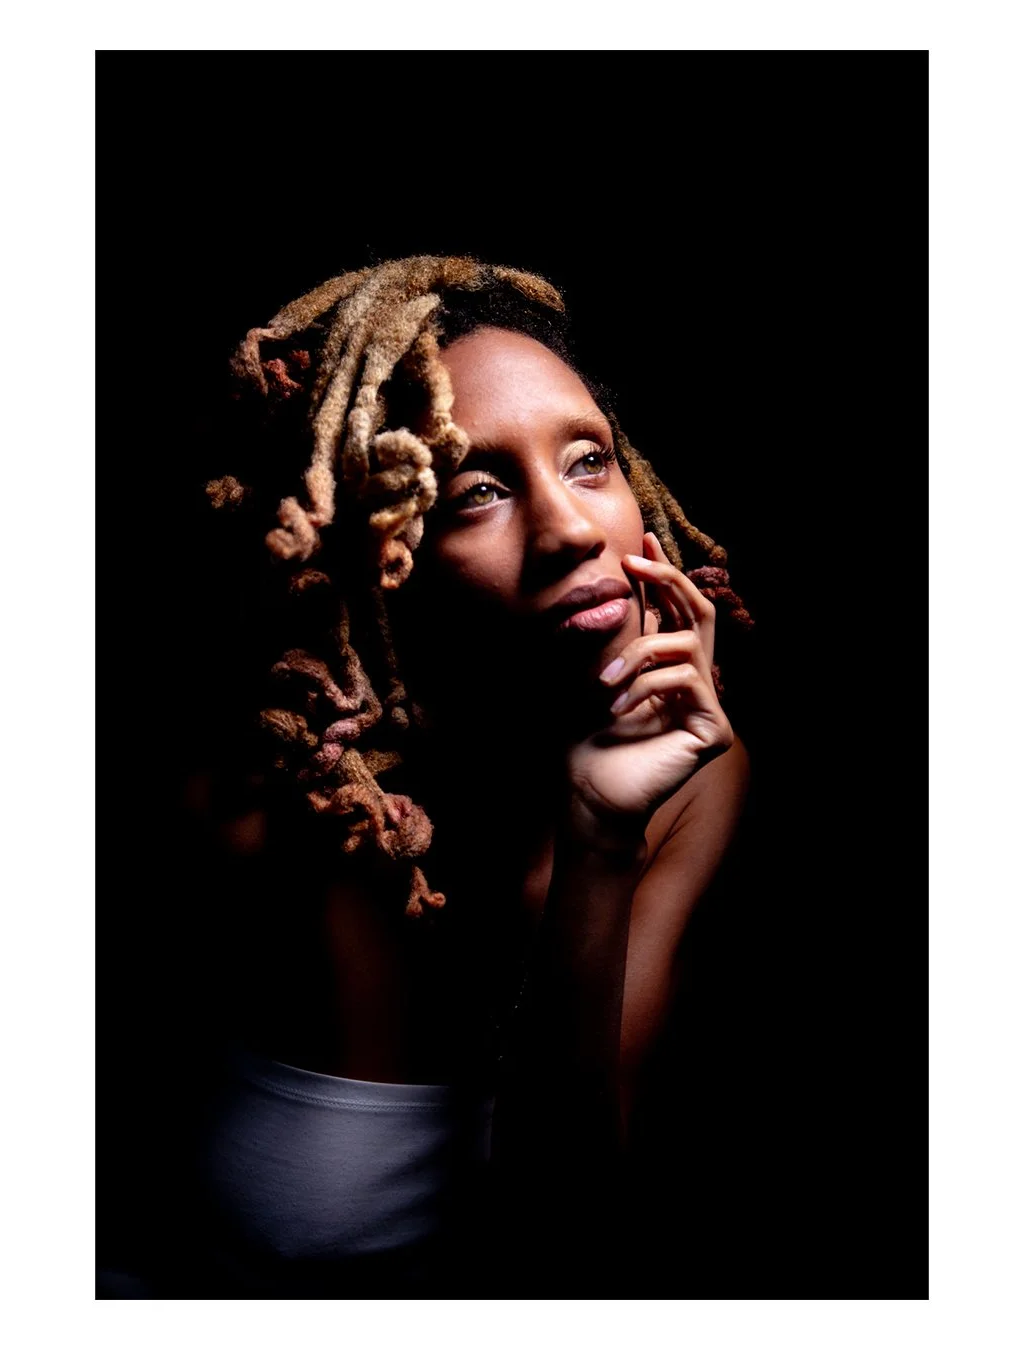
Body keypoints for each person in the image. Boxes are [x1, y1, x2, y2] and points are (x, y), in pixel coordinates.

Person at [103, 254, 753, 1298]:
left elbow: (565, 1252)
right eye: (477, 492)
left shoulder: (687, 781)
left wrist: (598, 838)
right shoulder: (248, 807)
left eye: (589, 461)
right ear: (370, 558)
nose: (573, 529)